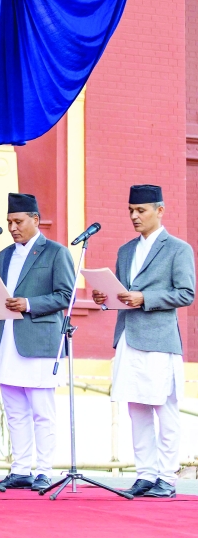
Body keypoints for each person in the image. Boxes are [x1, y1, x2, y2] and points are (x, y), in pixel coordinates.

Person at [91, 184, 194, 499]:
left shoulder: (178, 249)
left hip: (160, 340)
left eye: (141, 211)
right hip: (129, 337)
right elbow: (122, 294)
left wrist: (144, 297)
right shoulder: (126, 250)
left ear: (159, 211)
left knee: (165, 410)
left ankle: (166, 477)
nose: (134, 216)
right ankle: (145, 474)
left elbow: (186, 293)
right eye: (131, 211)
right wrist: (104, 298)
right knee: (136, 410)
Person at [0, 193, 74, 492]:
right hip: (6, 339)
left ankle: (43, 471)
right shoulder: (4, 255)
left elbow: (66, 296)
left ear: (36, 220)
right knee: (14, 409)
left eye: (18, 221)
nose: (13, 227)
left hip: (39, 341)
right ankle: (20, 469)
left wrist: (28, 303)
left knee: (42, 410)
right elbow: (1, 295)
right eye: (9, 223)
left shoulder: (56, 253)